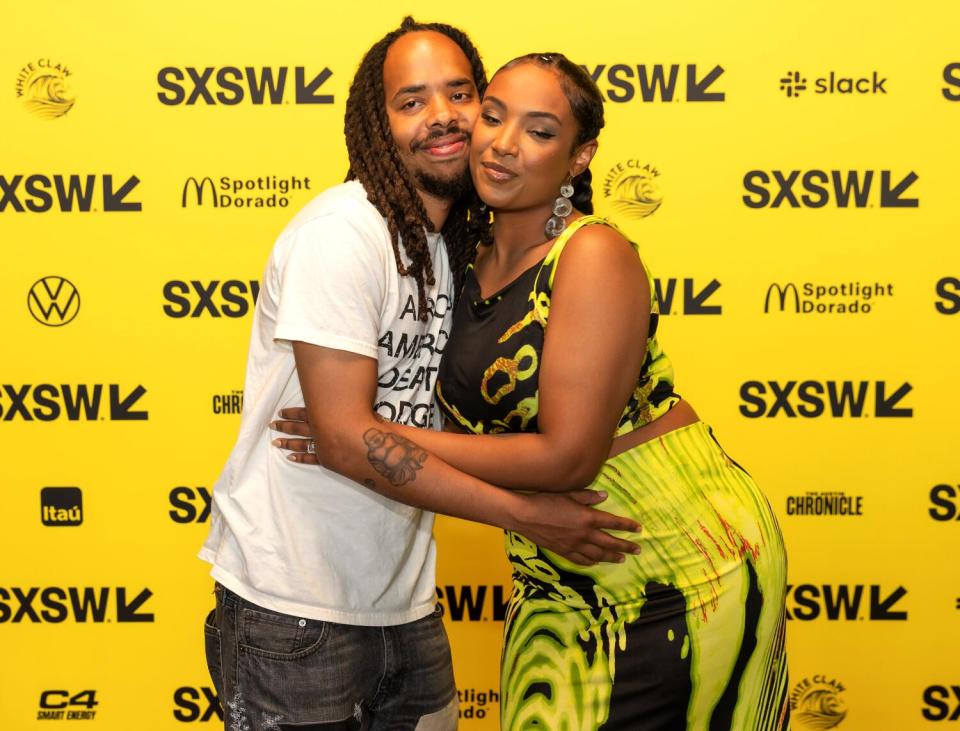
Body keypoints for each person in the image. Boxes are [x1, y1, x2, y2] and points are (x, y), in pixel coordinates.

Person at [276, 53, 790, 729]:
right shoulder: (458, 255)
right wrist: (359, 432)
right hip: (552, 565)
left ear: (580, 157)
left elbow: (568, 457)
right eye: (493, 115)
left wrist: (367, 436)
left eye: (540, 131)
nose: (504, 143)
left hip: (674, 559)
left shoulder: (593, 254)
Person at [199, 22, 640, 731]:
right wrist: (525, 513)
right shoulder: (342, 234)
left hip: (403, 599)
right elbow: (344, 441)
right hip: (294, 609)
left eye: (460, 93)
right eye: (411, 101)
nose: (440, 116)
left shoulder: (464, 246)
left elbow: (387, 429)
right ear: (379, 124)